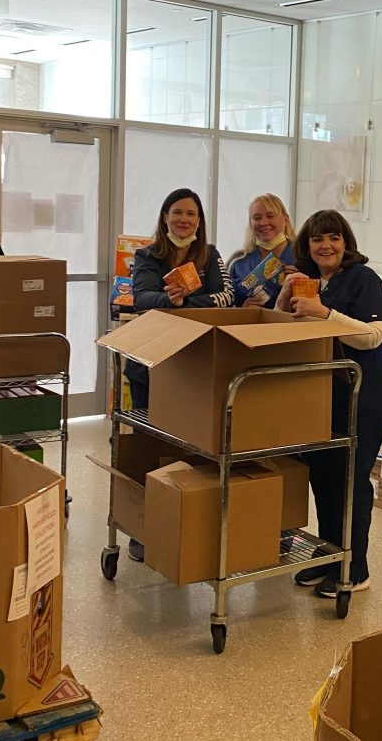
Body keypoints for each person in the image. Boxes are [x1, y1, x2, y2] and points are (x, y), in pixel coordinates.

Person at [275, 209, 382, 597]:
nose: (326, 246)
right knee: (323, 475)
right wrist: (283, 300)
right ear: (306, 245)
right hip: (323, 392)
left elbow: (374, 335)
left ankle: (354, 568)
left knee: (350, 478)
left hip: (366, 392)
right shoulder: (309, 283)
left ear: (346, 242)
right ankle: (329, 556)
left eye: (333, 238)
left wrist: (326, 314)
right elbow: (283, 329)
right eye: (317, 239)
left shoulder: (363, 279)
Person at [125, 187, 234, 562]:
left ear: (199, 221)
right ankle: (144, 525)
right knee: (149, 444)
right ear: (165, 216)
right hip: (152, 364)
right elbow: (141, 297)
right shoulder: (147, 255)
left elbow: (227, 298)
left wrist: (183, 302)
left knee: (191, 443)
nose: (184, 219)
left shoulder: (212, 255)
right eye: (177, 212)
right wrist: (164, 300)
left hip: (196, 365)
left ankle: (187, 517)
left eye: (191, 213)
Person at [228, 193, 297, 308]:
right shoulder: (237, 262)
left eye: (270, 216)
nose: (263, 223)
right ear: (250, 223)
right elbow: (224, 307)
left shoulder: (302, 258)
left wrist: (299, 284)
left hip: (290, 325)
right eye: (256, 218)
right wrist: (241, 311)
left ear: (285, 219)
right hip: (249, 325)